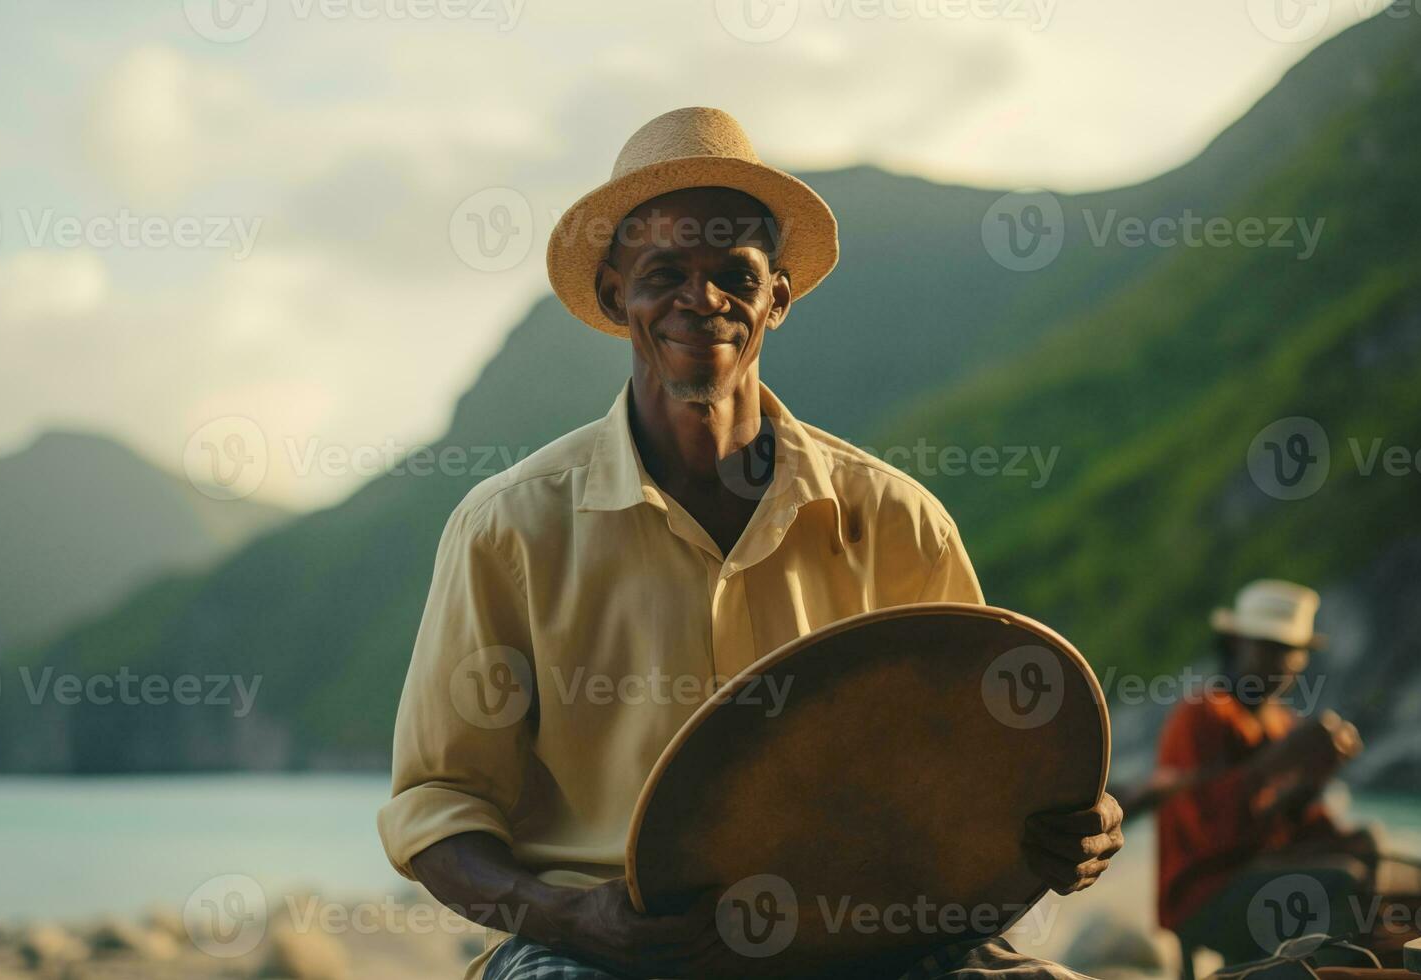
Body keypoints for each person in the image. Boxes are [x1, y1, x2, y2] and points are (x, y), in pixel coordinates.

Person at [377, 106, 1124, 980]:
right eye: (665, 272)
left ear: (778, 295)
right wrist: (575, 915)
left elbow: (978, 756)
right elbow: (438, 807)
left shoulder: (894, 519)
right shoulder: (510, 528)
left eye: (734, 272)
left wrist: (1079, 824)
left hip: (868, 937)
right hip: (609, 949)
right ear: (618, 295)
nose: (702, 300)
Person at [1155, 580, 1376, 971]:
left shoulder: (1281, 722)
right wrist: (1282, 759)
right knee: (1340, 884)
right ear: (1238, 643)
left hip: (1258, 874)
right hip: (1200, 895)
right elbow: (1209, 830)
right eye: (1271, 648)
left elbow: (1288, 825)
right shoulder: (1201, 715)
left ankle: (1277, 969)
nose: (1284, 663)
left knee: (1365, 851)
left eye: (1293, 652)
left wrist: (1318, 779)